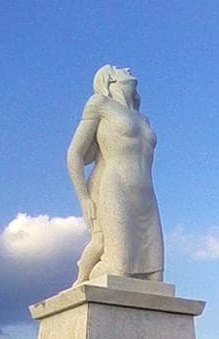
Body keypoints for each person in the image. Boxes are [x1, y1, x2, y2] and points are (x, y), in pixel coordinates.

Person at [67, 65, 164, 285]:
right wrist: (84, 198)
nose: (128, 69)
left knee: (154, 279)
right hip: (115, 188)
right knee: (120, 273)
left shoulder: (143, 119)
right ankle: (86, 275)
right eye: (119, 69)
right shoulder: (99, 104)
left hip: (147, 198)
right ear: (109, 79)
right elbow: (74, 153)